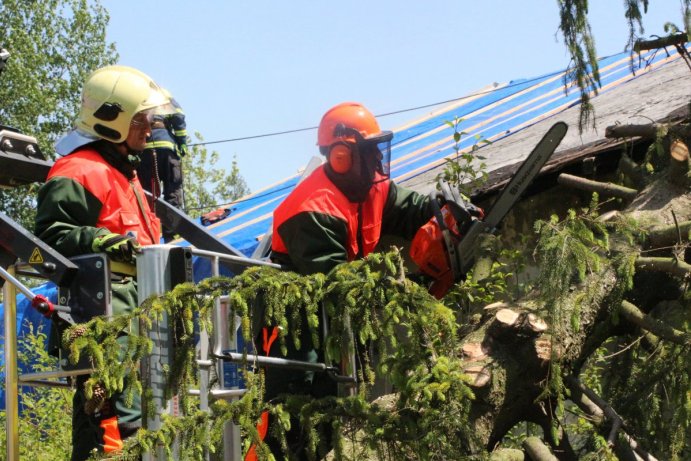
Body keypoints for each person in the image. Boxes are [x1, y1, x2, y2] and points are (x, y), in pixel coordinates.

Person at [259, 102, 434, 459]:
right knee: (289, 411)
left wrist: (442, 208)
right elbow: (337, 281)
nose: (377, 163)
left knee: (328, 412)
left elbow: (409, 208)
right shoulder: (311, 207)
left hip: (327, 320)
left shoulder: (373, 188)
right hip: (291, 319)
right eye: (368, 153)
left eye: (376, 152)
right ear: (340, 156)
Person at [34, 65, 174, 461]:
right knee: (112, 427)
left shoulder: (123, 173)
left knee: (142, 426)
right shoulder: (79, 171)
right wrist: (102, 240)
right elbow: (49, 239)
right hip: (104, 323)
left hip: (139, 317)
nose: (149, 128)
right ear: (112, 119)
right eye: (141, 119)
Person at [137, 97, 188, 241]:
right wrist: (182, 141)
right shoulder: (165, 98)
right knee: (172, 191)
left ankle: (148, 236)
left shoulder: (139, 98)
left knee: (146, 196)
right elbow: (178, 116)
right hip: (167, 148)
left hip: (144, 149)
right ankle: (171, 236)